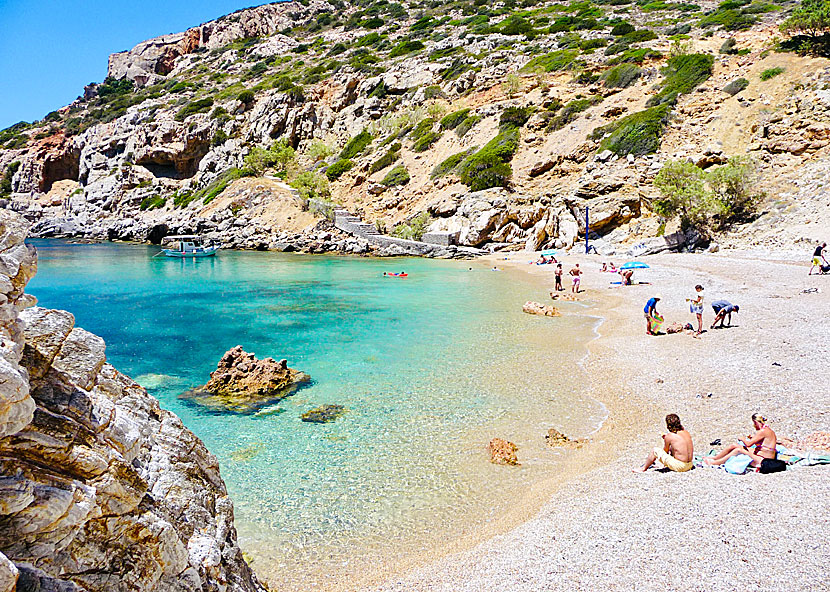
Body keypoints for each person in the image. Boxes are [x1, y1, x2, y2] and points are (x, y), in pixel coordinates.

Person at [704, 414, 777, 468]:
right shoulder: (767, 429)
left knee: (738, 450)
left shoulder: (763, 431)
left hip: (763, 459)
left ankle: (715, 463)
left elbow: (748, 444)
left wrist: (742, 439)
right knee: (734, 445)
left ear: (755, 422)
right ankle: (715, 458)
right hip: (760, 454)